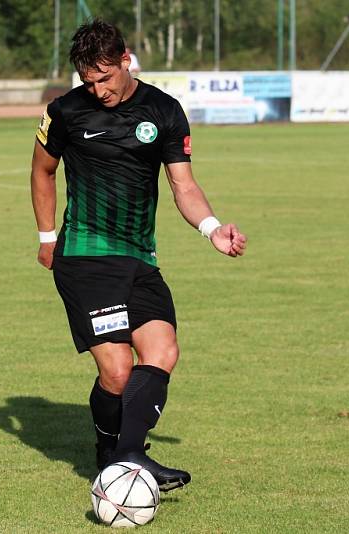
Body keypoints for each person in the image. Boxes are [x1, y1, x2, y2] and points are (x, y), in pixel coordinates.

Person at [30, 20, 247, 492]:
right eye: (88, 81)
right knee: (117, 370)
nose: (98, 89)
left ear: (126, 60)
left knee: (163, 351)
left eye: (104, 77)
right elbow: (43, 171)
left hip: (139, 257)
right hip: (85, 256)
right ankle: (116, 456)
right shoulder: (66, 111)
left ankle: (124, 458)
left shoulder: (164, 111)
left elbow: (183, 186)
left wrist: (212, 228)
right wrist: (47, 236)